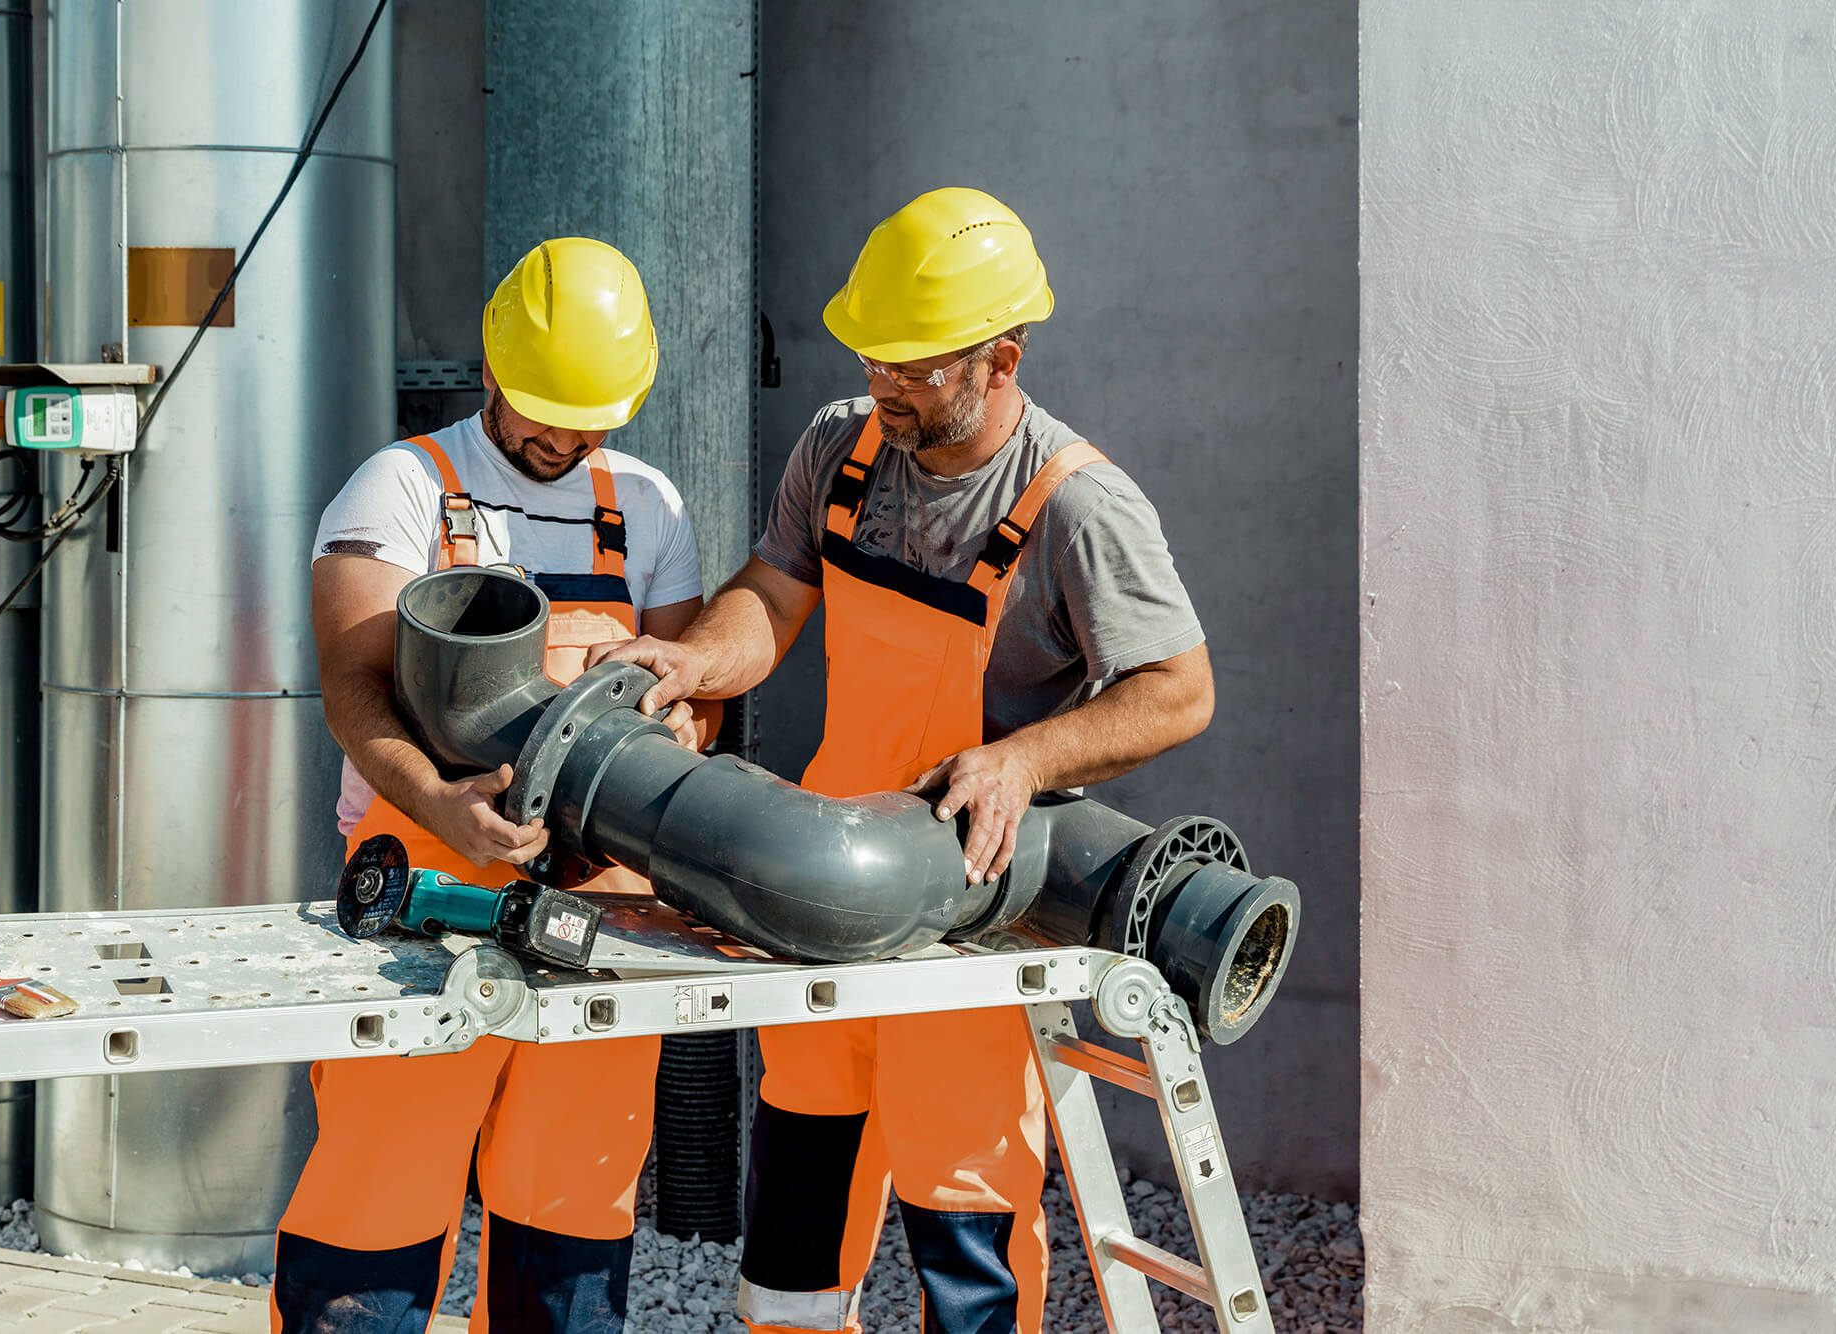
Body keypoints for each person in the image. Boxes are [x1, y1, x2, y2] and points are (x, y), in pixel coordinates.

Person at [591, 188, 1216, 1334]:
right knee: (797, 1193)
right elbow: (770, 596)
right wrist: (696, 664)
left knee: (960, 1202)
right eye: (874, 357)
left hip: (965, 903)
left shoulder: (1076, 505)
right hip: (818, 878)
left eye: (913, 369)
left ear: (1000, 359)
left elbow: (1178, 689)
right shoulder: (842, 445)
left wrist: (1023, 758)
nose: (884, 385)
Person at [273, 237, 713, 1334]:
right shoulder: (405, 486)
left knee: (571, 1208)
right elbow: (354, 687)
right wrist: (441, 805)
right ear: (489, 369)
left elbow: (695, 701)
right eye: (541, 413)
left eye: (590, 417)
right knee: (375, 1199)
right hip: (419, 896)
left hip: (600, 910)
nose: (564, 438)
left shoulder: (648, 505)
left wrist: (681, 743)